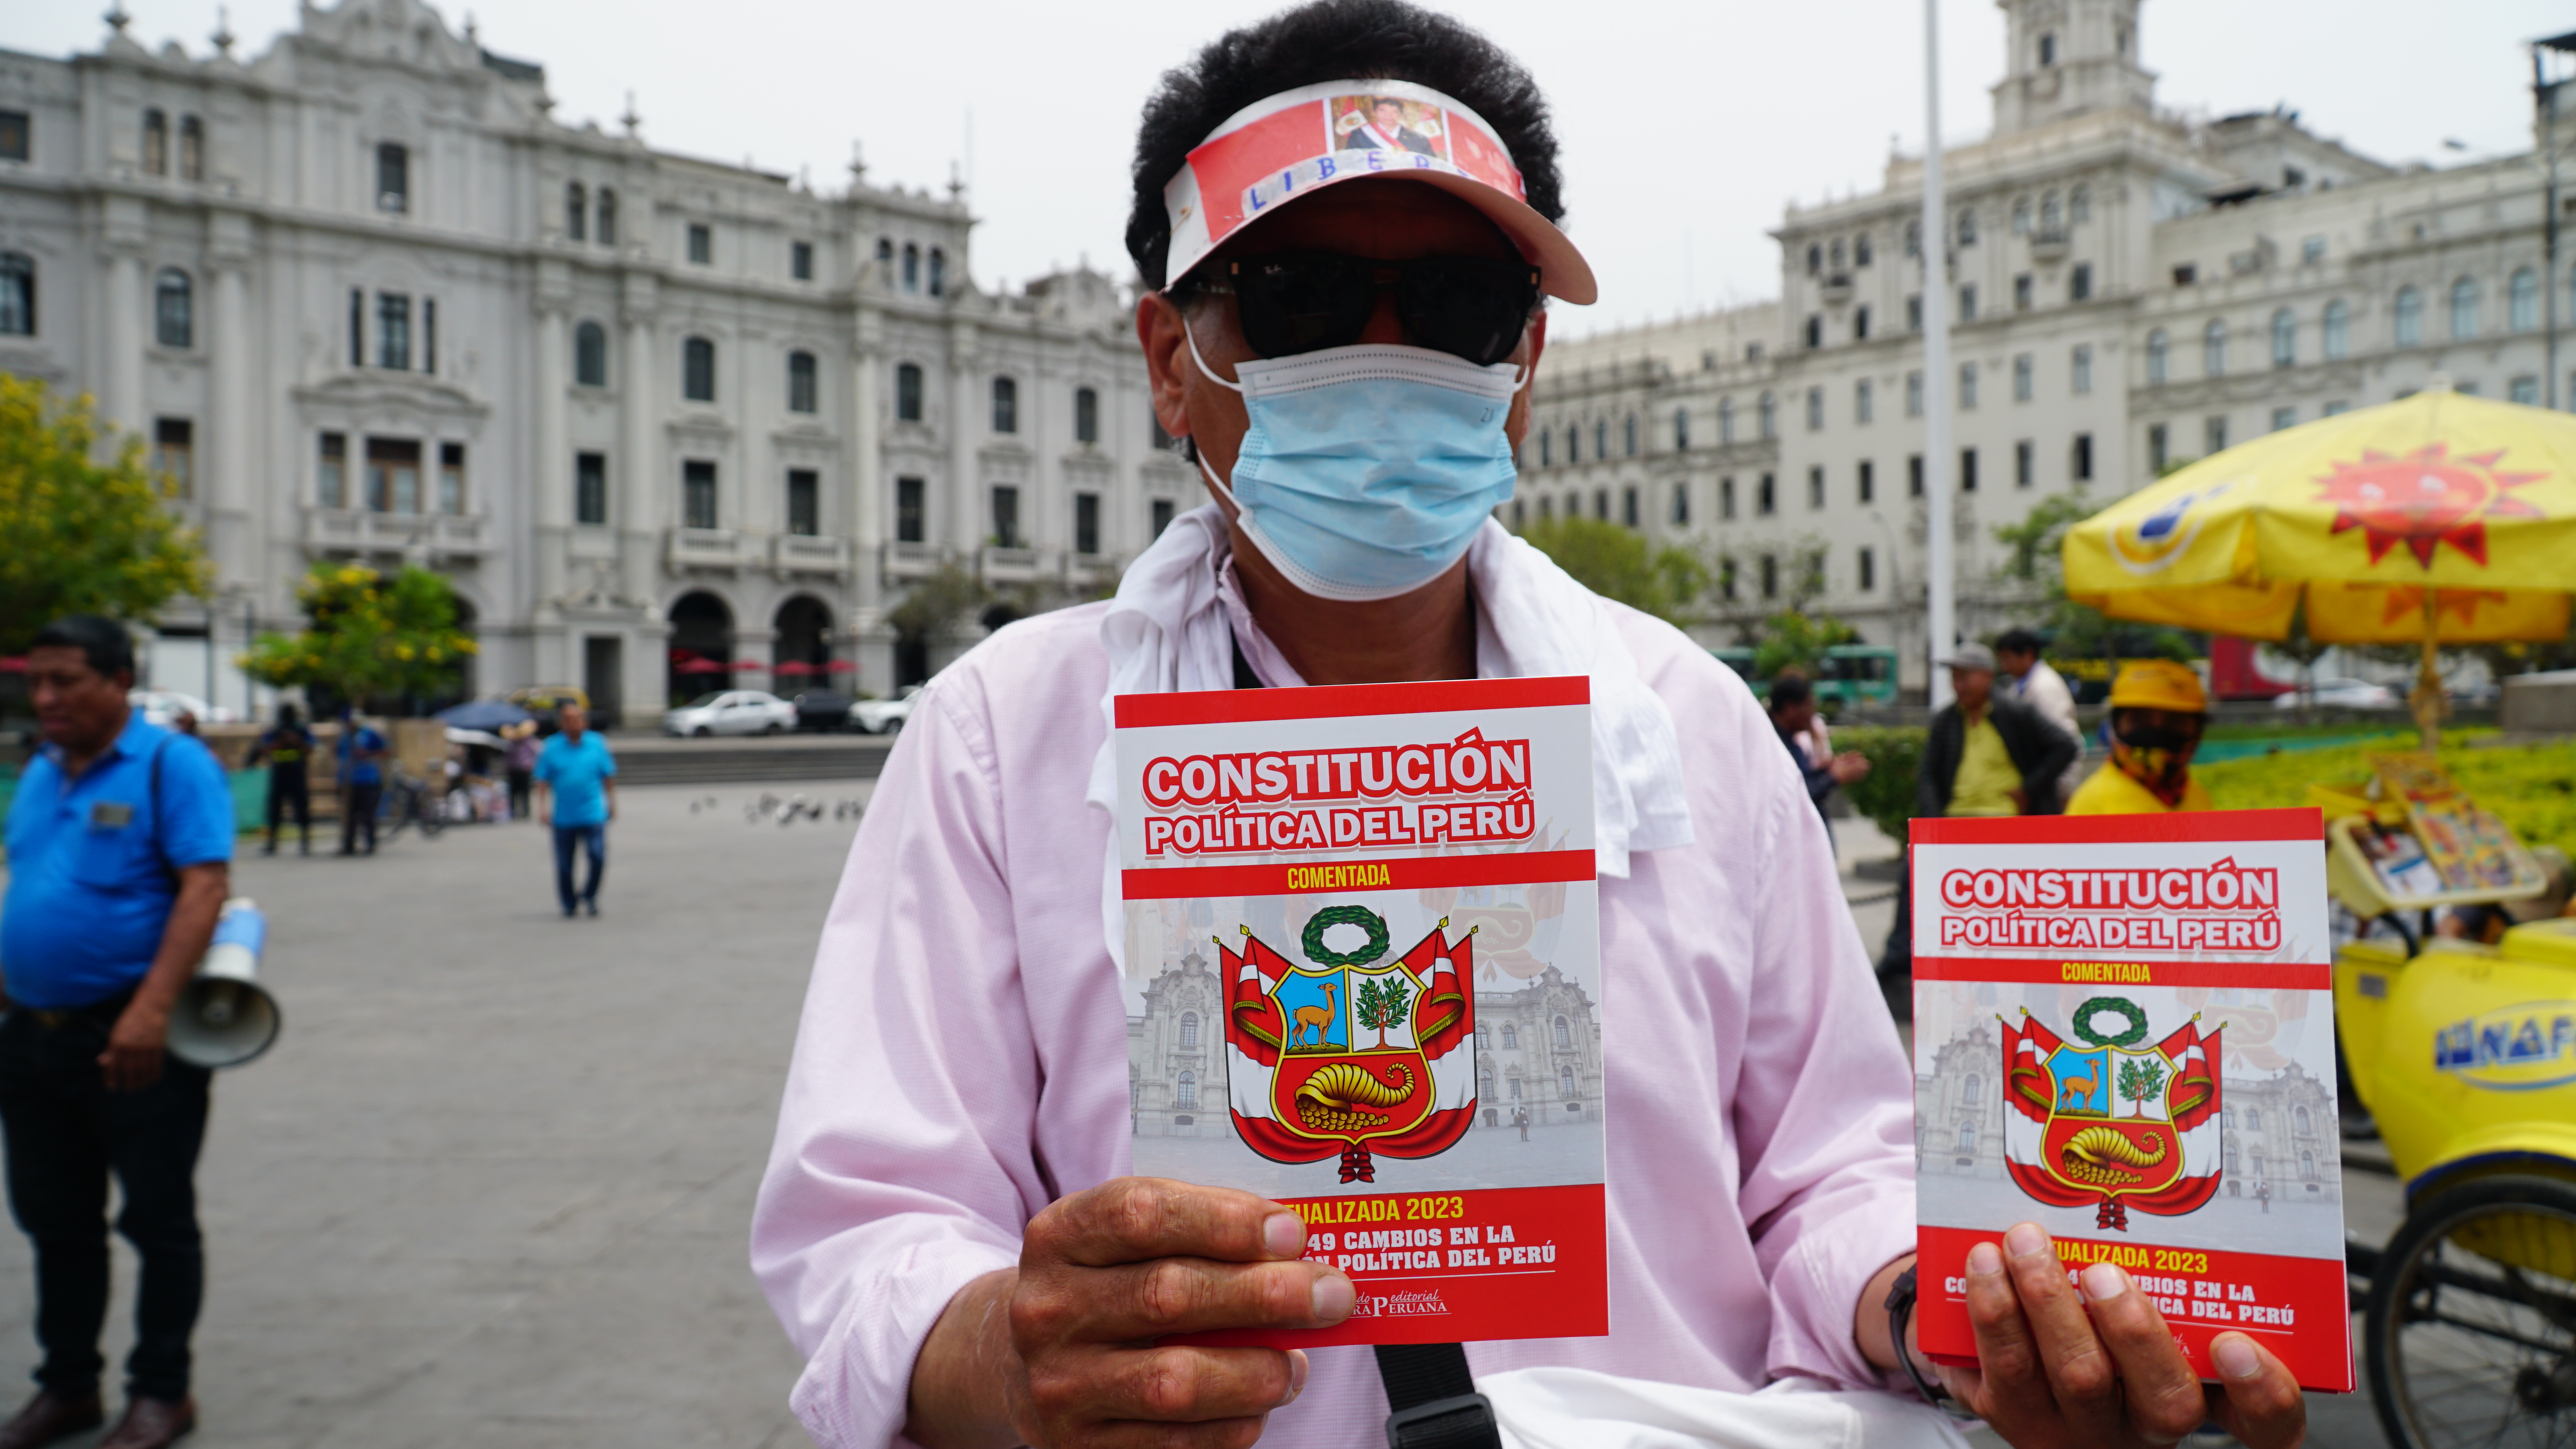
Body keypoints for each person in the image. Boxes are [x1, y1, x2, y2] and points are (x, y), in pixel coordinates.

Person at [750, 8, 2307, 1449]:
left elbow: (1829, 1160)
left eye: (1456, 299)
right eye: (1292, 296)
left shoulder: (1684, 723)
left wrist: (1937, 1298)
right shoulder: (997, 741)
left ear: (1525, 361)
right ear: (1172, 357)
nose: (1385, 349)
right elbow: (874, 1226)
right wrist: (995, 1348)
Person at [0, 616, 234, 1449]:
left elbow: (204, 886)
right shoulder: (39, 768)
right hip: (30, 1037)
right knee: (54, 1218)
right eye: (39, 679)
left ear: (120, 679)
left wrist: (151, 1010)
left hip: (133, 1037)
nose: (48, 696)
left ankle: (162, 1391)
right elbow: (30, 878)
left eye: (67, 679)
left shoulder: (174, 764)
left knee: (158, 1217)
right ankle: (68, 1386)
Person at [1879, 643, 2079, 985]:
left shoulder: (2016, 713)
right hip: (1956, 821)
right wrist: (1931, 827)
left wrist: (2029, 788)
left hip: (2004, 823)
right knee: (1914, 874)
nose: (1959, 685)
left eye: (1966, 677)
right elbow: (1928, 775)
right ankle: (1900, 961)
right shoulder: (1946, 721)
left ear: (1987, 677)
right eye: (1955, 678)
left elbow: (2066, 745)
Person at [2066, 661, 2214, 815]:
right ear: (2116, 725)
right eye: (2140, 720)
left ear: (2198, 730)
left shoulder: (2197, 796)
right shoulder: (2093, 808)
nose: (2157, 734)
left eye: (2175, 721)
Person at [532, 703, 616, 918]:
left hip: (592, 813)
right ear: (561, 723)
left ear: (584, 721)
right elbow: (542, 780)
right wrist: (542, 807)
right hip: (564, 817)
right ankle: (569, 903)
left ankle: (590, 895)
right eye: (568, 719)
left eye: (577, 718)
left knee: (597, 856)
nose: (574, 723)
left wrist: (612, 803)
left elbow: (607, 776)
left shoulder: (597, 744)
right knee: (564, 865)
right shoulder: (551, 747)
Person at [1768, 673, 1870, 823]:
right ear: (1790, 708)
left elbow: (1802, 779)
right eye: (1809, 706)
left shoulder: (1787, 740)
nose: (1812, 714)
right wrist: (1832, 777)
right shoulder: (1774, 745)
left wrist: (1827, 771)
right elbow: (1797, 795)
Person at [246, 703, 315, 855]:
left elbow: (310, 749)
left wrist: (297, 742)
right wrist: (279, 744)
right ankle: (272, 843)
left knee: (302, 809)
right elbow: (264, 749)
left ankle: (305, 843)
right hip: (279, 773)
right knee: (274, 810)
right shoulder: (275, 731)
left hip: (297, 773)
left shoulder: (301, 730)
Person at [1993, 628, 2078, 745]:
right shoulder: (2017, 684)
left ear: (2028, 655)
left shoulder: (2046, 686)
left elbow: (2060, 738)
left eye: (2008, 659)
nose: (2004, 667)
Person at [334, 708, 386, 856]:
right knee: (349, 815)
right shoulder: (344, 736)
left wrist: (367, 754)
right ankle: (348, 844)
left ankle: (370, 843)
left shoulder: (369, 734)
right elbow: (340, 755)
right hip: (347, 780)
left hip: (367, 780)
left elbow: (385, 751)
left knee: (368, 814)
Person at [504, 722, 540, 823]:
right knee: (513, 792)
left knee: (525, 792)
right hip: (513, 770)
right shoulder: (511, 743)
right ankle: (513, 812)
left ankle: (526, 812)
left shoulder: (530, 742)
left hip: (525, 770)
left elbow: (538, 752)